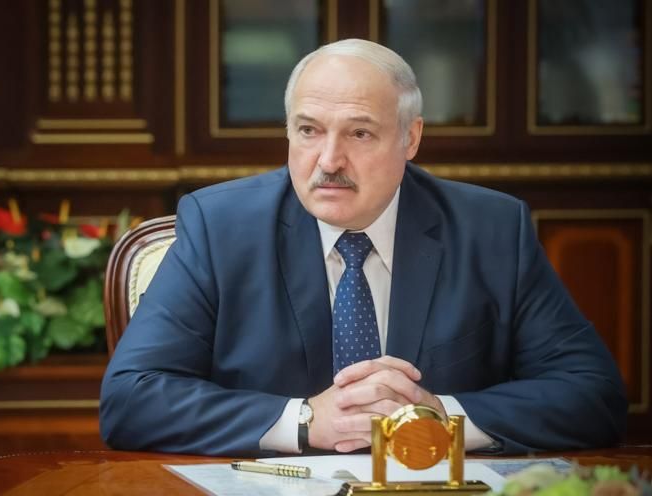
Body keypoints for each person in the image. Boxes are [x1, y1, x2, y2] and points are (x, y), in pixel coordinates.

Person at [99, 39, 627, 456]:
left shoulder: (490, 229)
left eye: (359, 134)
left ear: (410, 138)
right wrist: (306, 421)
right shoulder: (221, 227)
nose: (329, 160)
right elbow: (131, 397)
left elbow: (593, 394)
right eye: (309, 130)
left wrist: (437, 417)